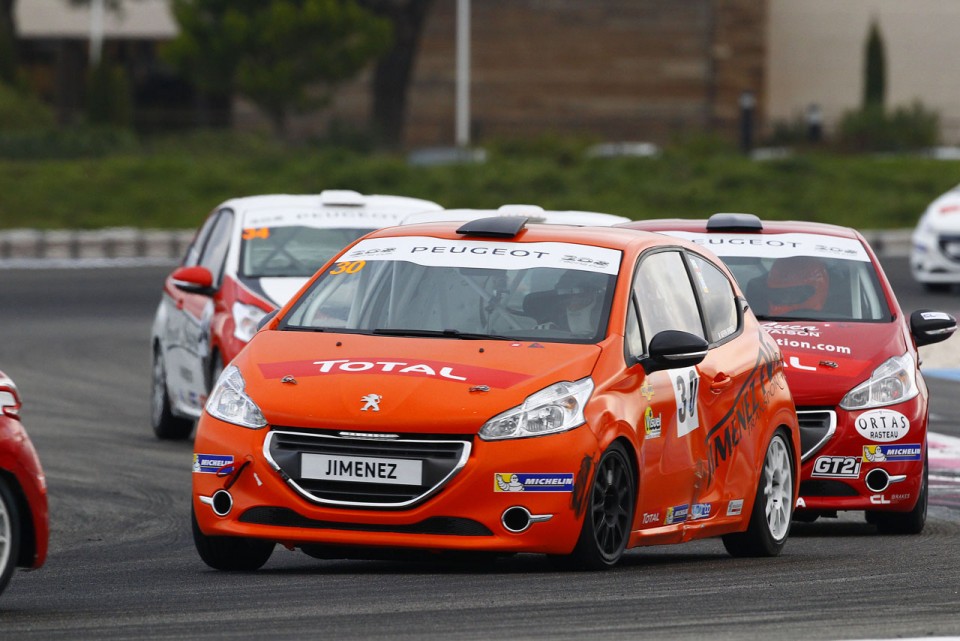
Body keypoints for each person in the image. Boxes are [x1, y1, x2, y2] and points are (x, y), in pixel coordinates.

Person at [554, 270, 607, 334]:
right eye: (565, 291)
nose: (573, 296)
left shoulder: (605, 311)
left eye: (578, 291)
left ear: (592, 292)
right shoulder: (557, 313)